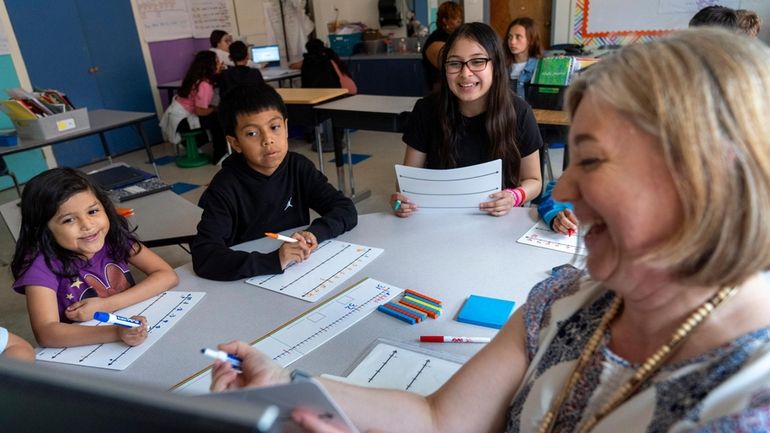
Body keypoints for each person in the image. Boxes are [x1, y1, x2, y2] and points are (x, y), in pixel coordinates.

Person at [208, 28, 770, 432]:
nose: (564, 190)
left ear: (703, 180)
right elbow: (439, 416)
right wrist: (291, 385)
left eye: (592, 162)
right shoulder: (565, 297)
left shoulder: (744, 406)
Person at [191, 84, 357, 281]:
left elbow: (345, 208)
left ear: (286, 128)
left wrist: (315, 233)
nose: (268, 140)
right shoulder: (225, 186)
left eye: (274, 127)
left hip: (299, 271)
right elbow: (204, 255)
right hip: (250, 278)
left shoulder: (298, 167)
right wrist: (274, 260)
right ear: (235, 143)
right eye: (252, 133)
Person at [11, 168, 178, 348]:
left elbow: (167, 275)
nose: (88, 225)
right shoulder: (41, 266)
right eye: (69, 220)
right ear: (43, 229)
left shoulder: (113, 237)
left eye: (92, 211)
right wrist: (115, 332)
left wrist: (106, 305)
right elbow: (47, 333)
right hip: (87, 348)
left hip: (132, 330)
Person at [393, 22, 543, 218]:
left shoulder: (519, 112)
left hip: (498, 222)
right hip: (439, 222)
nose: (465, 73)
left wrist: (514, 197)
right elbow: (406, 183)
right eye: (455, 63)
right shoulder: (426, 110)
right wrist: (399, 202)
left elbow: (534, 180)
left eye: (477, 61)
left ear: (496, 65)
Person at [160, 50, 228, 164]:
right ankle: (219, 155)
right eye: (217, 62)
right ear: (210, 65)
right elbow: (200, 111)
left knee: (213, 117)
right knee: (217, 120)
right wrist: (215, 109)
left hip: (176, 118)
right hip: (183, 122)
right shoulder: (204, 85)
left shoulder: (194, 78)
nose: (219, 64)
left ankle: (189, 144)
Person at [422, 1, 463, 92]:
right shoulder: (436, 40)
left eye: (460, 17)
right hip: (440, 89)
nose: (459, 21)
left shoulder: (453, 37)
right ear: (445, 20)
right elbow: (453, 66)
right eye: (455, 18)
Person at [505, 17, 543, 98]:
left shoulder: (540, 67)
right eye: (510, 37)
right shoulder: (501, 65)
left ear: (531, 40)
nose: (512, 42)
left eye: (518, 37)